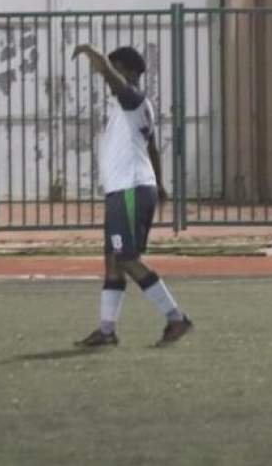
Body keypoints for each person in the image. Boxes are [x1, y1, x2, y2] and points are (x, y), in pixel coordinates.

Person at [70, 44, 193, 348]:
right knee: (113, 259)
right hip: (127, 190)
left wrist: (88, 51)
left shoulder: (132, 98)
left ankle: (176, 318)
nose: (108, 78)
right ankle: (107, 330)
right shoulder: (134, 106)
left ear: (127, 70)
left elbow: (108, 72)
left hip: (130, 190)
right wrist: (159, 184)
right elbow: (152, 148)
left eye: (116, 69)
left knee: (126, 257)